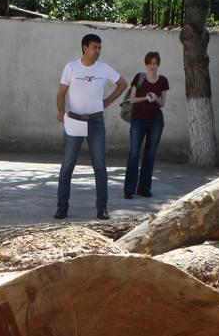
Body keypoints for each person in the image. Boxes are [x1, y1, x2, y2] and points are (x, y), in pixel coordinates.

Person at [55, 33, 127, 220]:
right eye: (95, 47)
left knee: (100, 167)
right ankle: (62, 207)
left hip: (96, 122)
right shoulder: (71, 67)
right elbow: (61, 93)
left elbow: (122, 83)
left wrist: (107, 101)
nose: (98, 51)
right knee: (67, 166)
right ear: (84, 48)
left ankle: (102, 208)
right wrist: (61, 110)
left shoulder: (103, 68)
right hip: (74, 120)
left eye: (100, 48)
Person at [124, 51, 168, 199]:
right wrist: (145, 97)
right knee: (134, 153)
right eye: (149, 63)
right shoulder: (140, 78)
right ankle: (129, 189)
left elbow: (163, 103)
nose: (152, 66)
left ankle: (144, 188)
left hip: (155, 121)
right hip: (138, 120)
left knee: (149, 155)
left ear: (158, 64)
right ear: (146, 64)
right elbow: (132, 99)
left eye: (155, 63)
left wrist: (155, 98)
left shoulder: (163, 81)